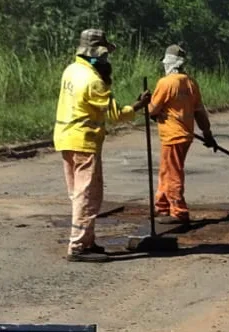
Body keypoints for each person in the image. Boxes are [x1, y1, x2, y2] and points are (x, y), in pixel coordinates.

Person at [54, 29, 151, 262]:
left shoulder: (71, 70)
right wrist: (138, 105)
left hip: (65, 137)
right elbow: (117, 115)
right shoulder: (94, 81)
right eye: (105, 56)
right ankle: (77, 247)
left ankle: (87, 240)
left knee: (78, 194)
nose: (107, 61)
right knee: (87, 195)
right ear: (97, 55)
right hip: (83, 142)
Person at [148, 45, 218, 225]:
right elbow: (200, 111)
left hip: (173, 135)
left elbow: (152, 110)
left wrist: (146, 104)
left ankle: (179, 211)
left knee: (172, 172)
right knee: (167, 169)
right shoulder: (191, 82)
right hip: (186, 135)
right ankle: (162, 206)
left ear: (169, 63)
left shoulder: (166, 83)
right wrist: (207, 133)